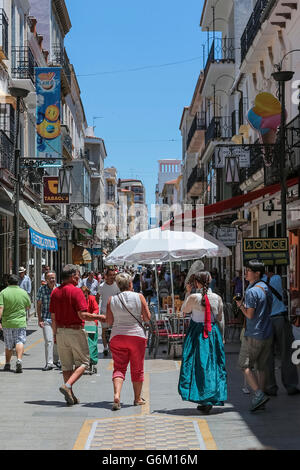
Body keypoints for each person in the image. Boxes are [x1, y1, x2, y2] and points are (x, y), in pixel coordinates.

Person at [49, 264, 105, 406]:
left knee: (66, 365)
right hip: (75, 331)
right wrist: (99, 317)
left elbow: (53, 317)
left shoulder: (55, 292)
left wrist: (55, 335)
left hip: (61, 331)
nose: (79, 277)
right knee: (85, 362)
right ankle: (67, 386)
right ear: (72, 276)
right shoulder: (76, 291)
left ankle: (70, 394)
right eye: (78, 275)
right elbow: (82, 314)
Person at [178, 271, 227, 414]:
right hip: (213, 333)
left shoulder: (193, 297)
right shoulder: (217, 298)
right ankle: (210, 396)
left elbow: (184, 311)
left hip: (197, 334)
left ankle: (202, 397)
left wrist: (187, 293)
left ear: (197, 283)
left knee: (197, 365)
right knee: (212, 366)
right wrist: (222, 337)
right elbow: (220, 318)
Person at [104, 272, 151, 410]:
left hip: (117, 336)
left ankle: (117, 395)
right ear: (130, 284)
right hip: (137, 337)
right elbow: (147, 318)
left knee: (119, 368)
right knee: (137, 368)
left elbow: (109, 321)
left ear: (118, 285)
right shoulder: (139, 297)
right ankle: (137, 398)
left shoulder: (111, 300)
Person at [235, 260, 273, 412]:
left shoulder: (251, 291)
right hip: (267, 332)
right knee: (261, 367)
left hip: (254, 333)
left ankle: (258, 395)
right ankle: (261, 398)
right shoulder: (265, 287)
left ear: (257, 273)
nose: (246, 273)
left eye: (249, 271)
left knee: (244, 365)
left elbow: (250, 315)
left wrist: (240, 306)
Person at [262, 270, 300, 396]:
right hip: (279, 318)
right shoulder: (277, 278)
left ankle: (270, 387)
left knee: (268, 355)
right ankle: (291, 385)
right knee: (286, 353)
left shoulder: (256, 285)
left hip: (266, 321)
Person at [0, 274, 31, 373]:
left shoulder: (3, 293)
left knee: (9, 344)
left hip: (7, 322)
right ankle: (19, 360)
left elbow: (1, 308)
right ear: (18, 282)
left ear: (8, 282)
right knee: (19, 341)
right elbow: (28, 306)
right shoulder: (23, 292)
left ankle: (8, 364)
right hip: (20, 322)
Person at [37, 270, 60, 371]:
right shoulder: (42, 289)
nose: (52, 280)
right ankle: (49, 363)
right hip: (46, 318)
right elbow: (38, 305)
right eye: (50, 278)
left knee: (58, 341)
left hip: (59, 319)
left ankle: (57, 360)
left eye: (53, 278)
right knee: (49, 340)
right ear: (46, 280)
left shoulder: (60, 288)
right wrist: (40, 319)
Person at [97, 268, 120, 356]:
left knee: (115, 330)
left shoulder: (117, 285)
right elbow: (98, 296)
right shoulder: (102, 286)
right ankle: (105, 347)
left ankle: (114, 347)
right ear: (105, 276)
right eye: (110, 275)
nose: (112, 277)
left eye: (114, 275)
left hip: (115, 311)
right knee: (104, 330)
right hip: (104, 311)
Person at [81, 286, 100, 374]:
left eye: (85, 295)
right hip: (82, 323)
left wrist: (92, 315)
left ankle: (92, 359)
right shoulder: (78, 300)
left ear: (88, 294)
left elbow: (96, 309)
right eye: (82, 295)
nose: (84, 297)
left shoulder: (92, 299)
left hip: (91, 323)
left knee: (91, 343)